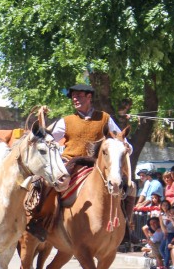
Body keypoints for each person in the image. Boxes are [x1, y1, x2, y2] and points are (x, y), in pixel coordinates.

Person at [26, 86, 130, 240]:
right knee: (49, 183)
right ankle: (40, 222)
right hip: (71, 162)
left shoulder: (105, 118)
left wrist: (127, 146)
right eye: (73, 96)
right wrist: (39, 129)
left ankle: (126, 228)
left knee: (129, 187)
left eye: (79, 96)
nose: (75, 99)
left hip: (97, 165)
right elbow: (47, 138)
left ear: (89, 97)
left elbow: (122, 140)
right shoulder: (66, 121)